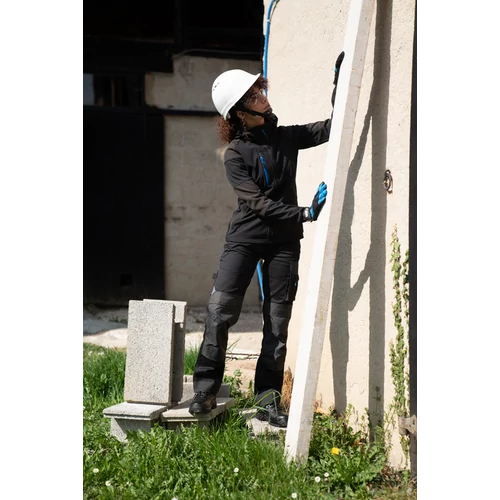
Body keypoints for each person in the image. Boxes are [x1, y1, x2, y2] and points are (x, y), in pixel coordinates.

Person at [189, 53, 344, 427]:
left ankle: (268, 401)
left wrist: (340, 85)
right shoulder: (235, 154)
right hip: (244, 240)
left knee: (277, 323)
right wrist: (305, 213)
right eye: (253, 95)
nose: (262, 95)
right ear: (240, 113)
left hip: (284, 243)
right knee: (219, 312)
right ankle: (205, 390)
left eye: (260, 89)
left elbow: (331, 128)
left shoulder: (286, 137)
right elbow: (257, 204)